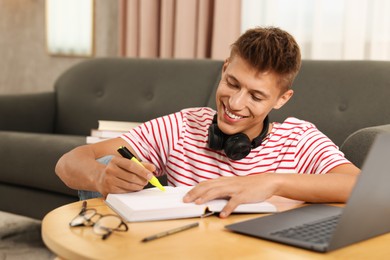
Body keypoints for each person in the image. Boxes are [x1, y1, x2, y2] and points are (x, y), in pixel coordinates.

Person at [55, 27, 360, 218]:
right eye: (231, 83)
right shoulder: (181, 127)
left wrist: (271, 181)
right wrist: (100, 179)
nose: (235, 103)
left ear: (281, 99)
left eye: (256, 95)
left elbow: (363, 186)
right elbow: (70, 162)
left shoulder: (299, 139)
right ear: (225, 68)